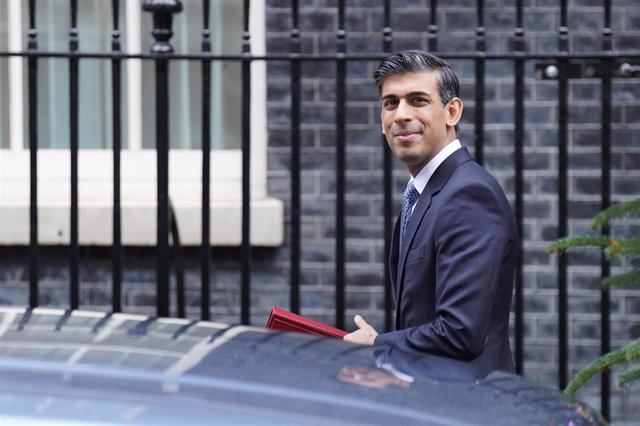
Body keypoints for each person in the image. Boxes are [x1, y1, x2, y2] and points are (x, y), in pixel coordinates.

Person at [343, 50, 518, 374]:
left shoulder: (468, 195)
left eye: (418, 100)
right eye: (390, 103)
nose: (400, 115)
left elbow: (460, 333)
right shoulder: (428, 192)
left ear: (452, 111)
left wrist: (379, 345)